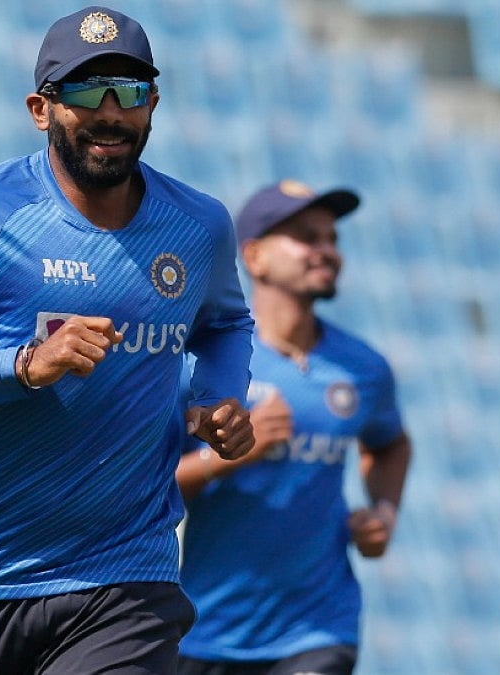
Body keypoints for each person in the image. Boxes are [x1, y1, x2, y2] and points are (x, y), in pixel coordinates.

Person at [0, 7, 256, 673]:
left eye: (131, 91)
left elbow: (226, 323)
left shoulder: (198, 226)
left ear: (154, 105)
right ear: (40, 108)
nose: (111, 113)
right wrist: (23, 365)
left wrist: (222, 397)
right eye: (87, 92)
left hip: (126, 572)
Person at [175, 180, 413, 675]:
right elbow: (147, 483)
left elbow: (390, 444)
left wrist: (384, 512)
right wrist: (228, 456)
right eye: (307, 237)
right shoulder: (208, 362)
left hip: (319, 627)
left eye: (332, 239)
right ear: (255, 257)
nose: (327, 251)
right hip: (208, 627)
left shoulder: (362, 367)